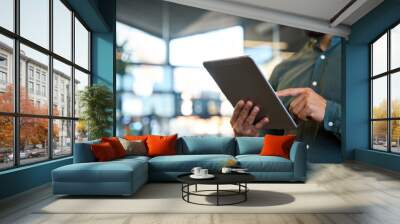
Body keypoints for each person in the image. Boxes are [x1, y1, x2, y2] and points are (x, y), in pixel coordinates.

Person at [230, 31, 342, 163]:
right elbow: (265, 146)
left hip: (347, 180)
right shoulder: (283, 69)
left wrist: (329, 113)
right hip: (288, 178)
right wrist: (247, 137)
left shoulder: (364, 53)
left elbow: (372, 135)